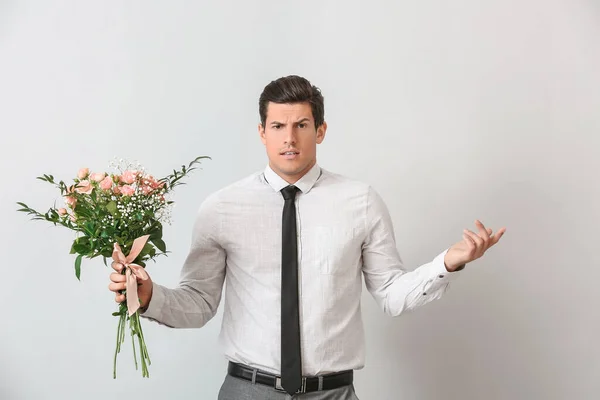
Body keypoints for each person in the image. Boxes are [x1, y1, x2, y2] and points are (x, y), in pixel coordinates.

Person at [109, 75, 506, 399]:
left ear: (321, 130)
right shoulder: (222, 207)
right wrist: (147, 296)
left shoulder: (361, 202)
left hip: (332, 393)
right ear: (261, 132)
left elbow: (391, 294)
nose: (290, 139)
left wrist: (447, 263)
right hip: (249, 391)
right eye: (278, 126)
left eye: (301, 125)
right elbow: (199, 303)